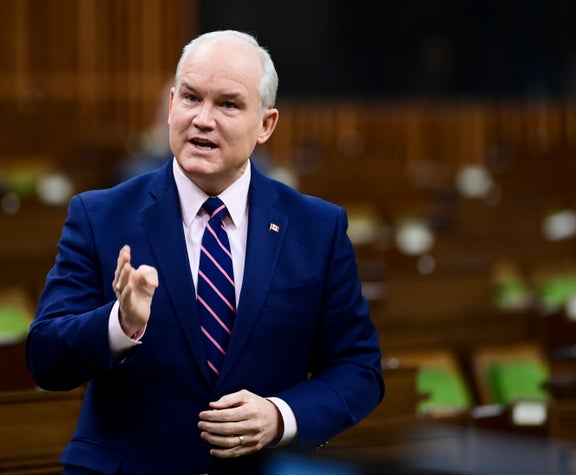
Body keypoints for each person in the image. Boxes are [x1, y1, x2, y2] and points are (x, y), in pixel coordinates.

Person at [26, 30, 384, 475]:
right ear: (172, 104)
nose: (203, 119)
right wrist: (120, 325)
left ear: (266, 125)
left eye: (228, 104)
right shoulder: (100, 214)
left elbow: (358, 368)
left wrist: (280, 417)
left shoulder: (317, 227)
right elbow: (44, 357)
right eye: (192, 98)